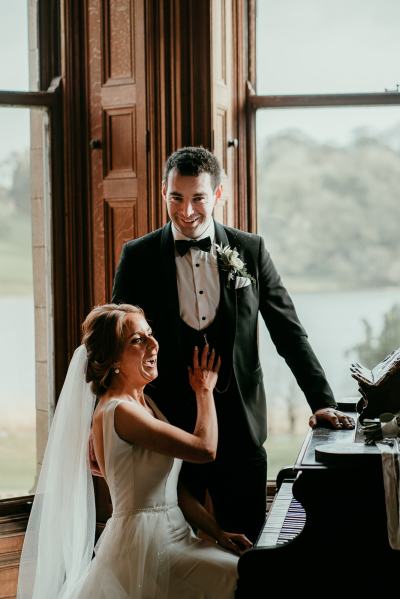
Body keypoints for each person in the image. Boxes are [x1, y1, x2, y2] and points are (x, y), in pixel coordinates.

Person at [112, 146, 354, 544]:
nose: (186, 211)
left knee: (247, 547)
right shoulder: (137, 257)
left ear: (219, 195)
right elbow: (118, 343)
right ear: (163, 192)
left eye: (198, 199)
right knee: (172, 547)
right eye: (176, 197)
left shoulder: (251, 250)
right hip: (168, 426)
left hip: (240, 427)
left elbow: (288, 331)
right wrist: (105, 415)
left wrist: (321, 401)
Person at [17, 304, 252, 599]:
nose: (154, 345)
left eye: (150, 335)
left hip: (178, 537)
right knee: (241, 577)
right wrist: (204, 391)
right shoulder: (120, 411)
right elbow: (205, 449)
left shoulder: (145, 404)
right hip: (148, 549)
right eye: (137, 341)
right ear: (113, 358)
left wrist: (218, 534)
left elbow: (172, 491)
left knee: (244, 572)